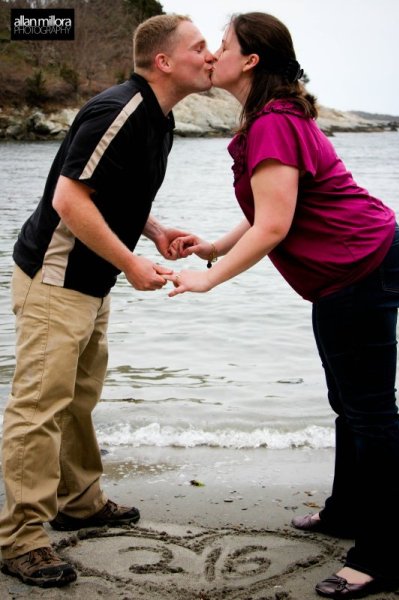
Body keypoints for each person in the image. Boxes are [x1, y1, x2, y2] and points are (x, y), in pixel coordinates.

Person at [166, 12, 399, 600]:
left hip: (359, 267)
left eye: (221, 46)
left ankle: (386, 553)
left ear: (249, 62)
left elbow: (273, 226)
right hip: (350, 270)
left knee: (371, 412)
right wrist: (217, 243)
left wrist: (210, 278)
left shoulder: (272, 122)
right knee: (349, 403)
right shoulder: (270, 118)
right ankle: (347, 512)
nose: (213, 54)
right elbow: (271, 204)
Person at [0, 14, 214, 588]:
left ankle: (79, 501)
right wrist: (131, 263)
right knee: (39, 407)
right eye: (199, 48)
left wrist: (155, 231)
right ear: (164, 62)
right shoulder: (119, 109)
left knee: (79, 395)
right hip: (57, 277)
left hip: (89, 281)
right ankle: (20, 538)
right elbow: (69, 199)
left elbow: (113, 190)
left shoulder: (157, 117)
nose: (210, 55)